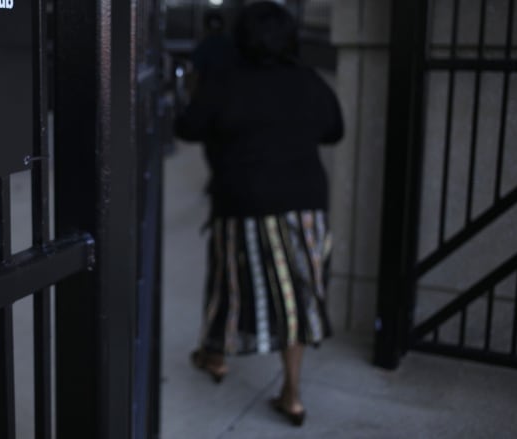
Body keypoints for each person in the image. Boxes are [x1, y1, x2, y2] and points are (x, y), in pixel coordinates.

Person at [174, 1, 343, 427]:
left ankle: (215, 357)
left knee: (231, 284)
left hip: (244, 201)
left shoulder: (225, 80)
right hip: (306, 203)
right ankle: (292, 394)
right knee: (298, 295)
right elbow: (334, 130)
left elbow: (187, 127)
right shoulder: (308, 81)